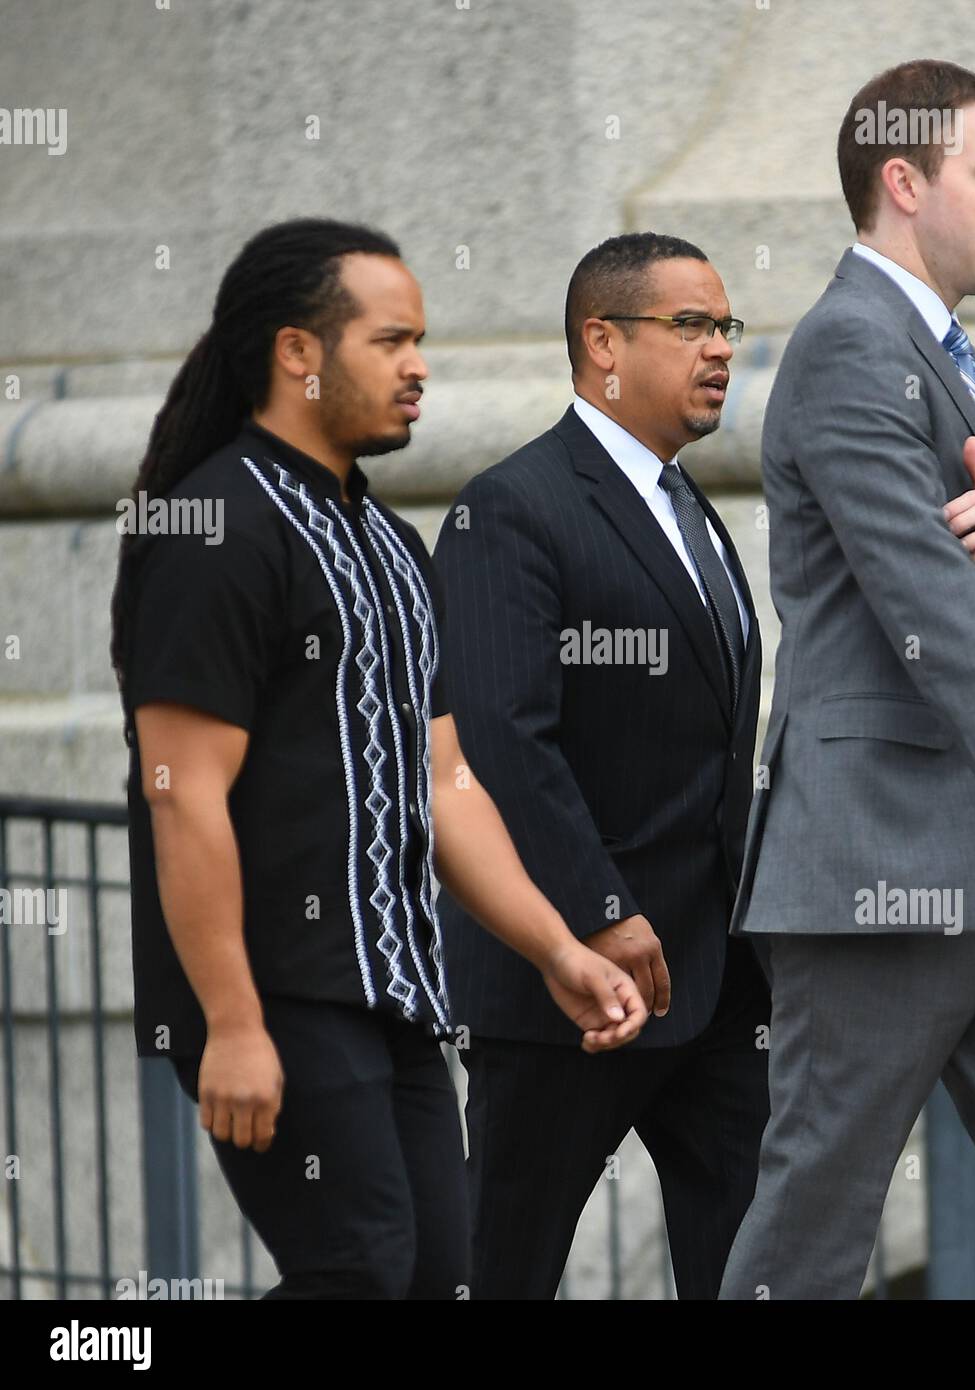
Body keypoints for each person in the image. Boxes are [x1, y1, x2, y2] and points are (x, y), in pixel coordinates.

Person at [110, 218, 647, 1300]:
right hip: (272, 993)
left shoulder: (392, 545)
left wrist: (557, 949)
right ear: (297, 353)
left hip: (394, 991)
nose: (419, 367)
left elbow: (445, 783)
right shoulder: (212, 526)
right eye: (390, 340)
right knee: (357, 1270)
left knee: (440, 1278)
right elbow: (183, 798)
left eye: (420, 342)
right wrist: (234, 1022)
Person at [719, 61, 975, 1300]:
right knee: (818, 1219)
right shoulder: (849, 348)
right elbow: (933, 613)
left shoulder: (948, 352)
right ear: (904, 181)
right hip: (876, 865)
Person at [433, 232, 771, 1299]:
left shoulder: (694, 512)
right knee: (505, 1269)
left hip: (715, 982)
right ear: (602, 342)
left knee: (755, 1266)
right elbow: (499, 742)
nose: (719, 350)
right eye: (690, 326)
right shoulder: (512, 508)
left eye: (725, 327)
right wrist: (598, 909)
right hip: (566, 989)